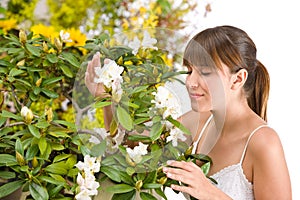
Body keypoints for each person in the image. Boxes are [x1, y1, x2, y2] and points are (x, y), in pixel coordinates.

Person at [85, 25, 292, 199]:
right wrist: (105, 97)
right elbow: (128, 144)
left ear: (237, 79)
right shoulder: (201, 121)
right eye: (189, 70)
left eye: (205, 72)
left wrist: (212, 194)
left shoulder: (263, 142)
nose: (191, 82)